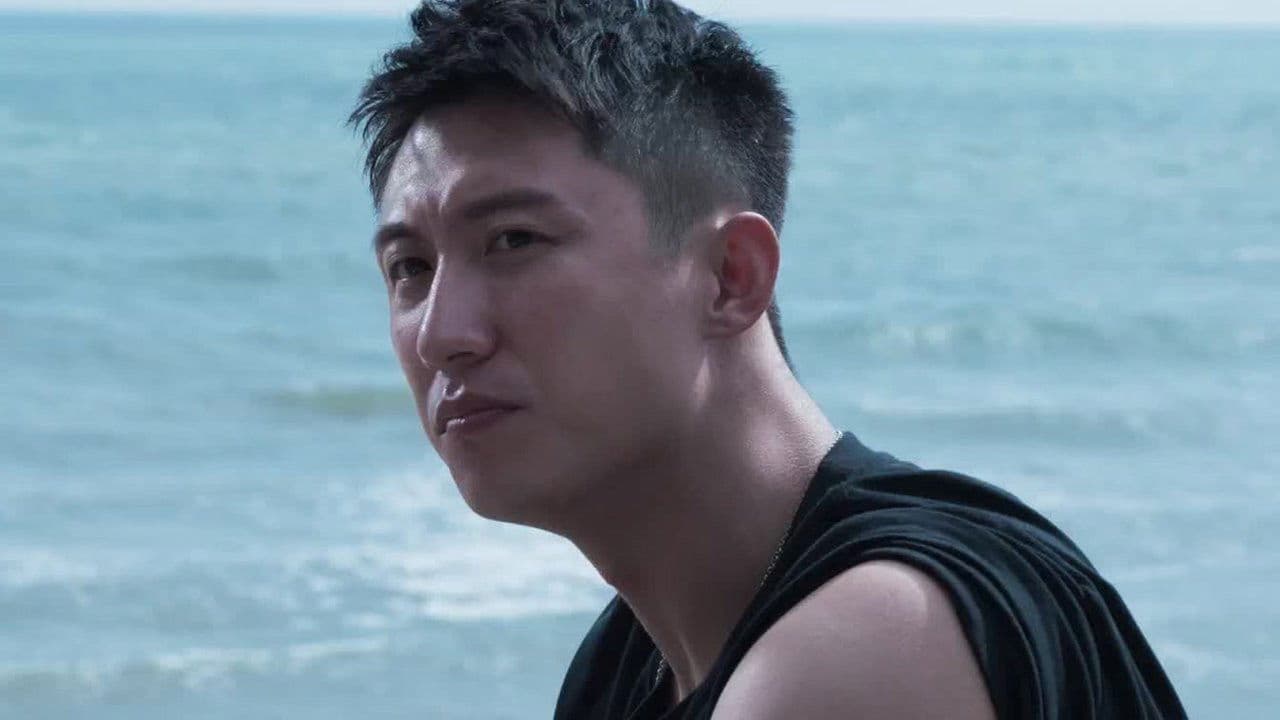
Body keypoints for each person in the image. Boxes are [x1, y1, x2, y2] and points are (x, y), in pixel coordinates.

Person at [349, 1, 1189, 717]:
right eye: (409, 267)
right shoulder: (630, 664)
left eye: (514, 240)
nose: (440, 333)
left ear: (730, 277)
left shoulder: (869, 645)